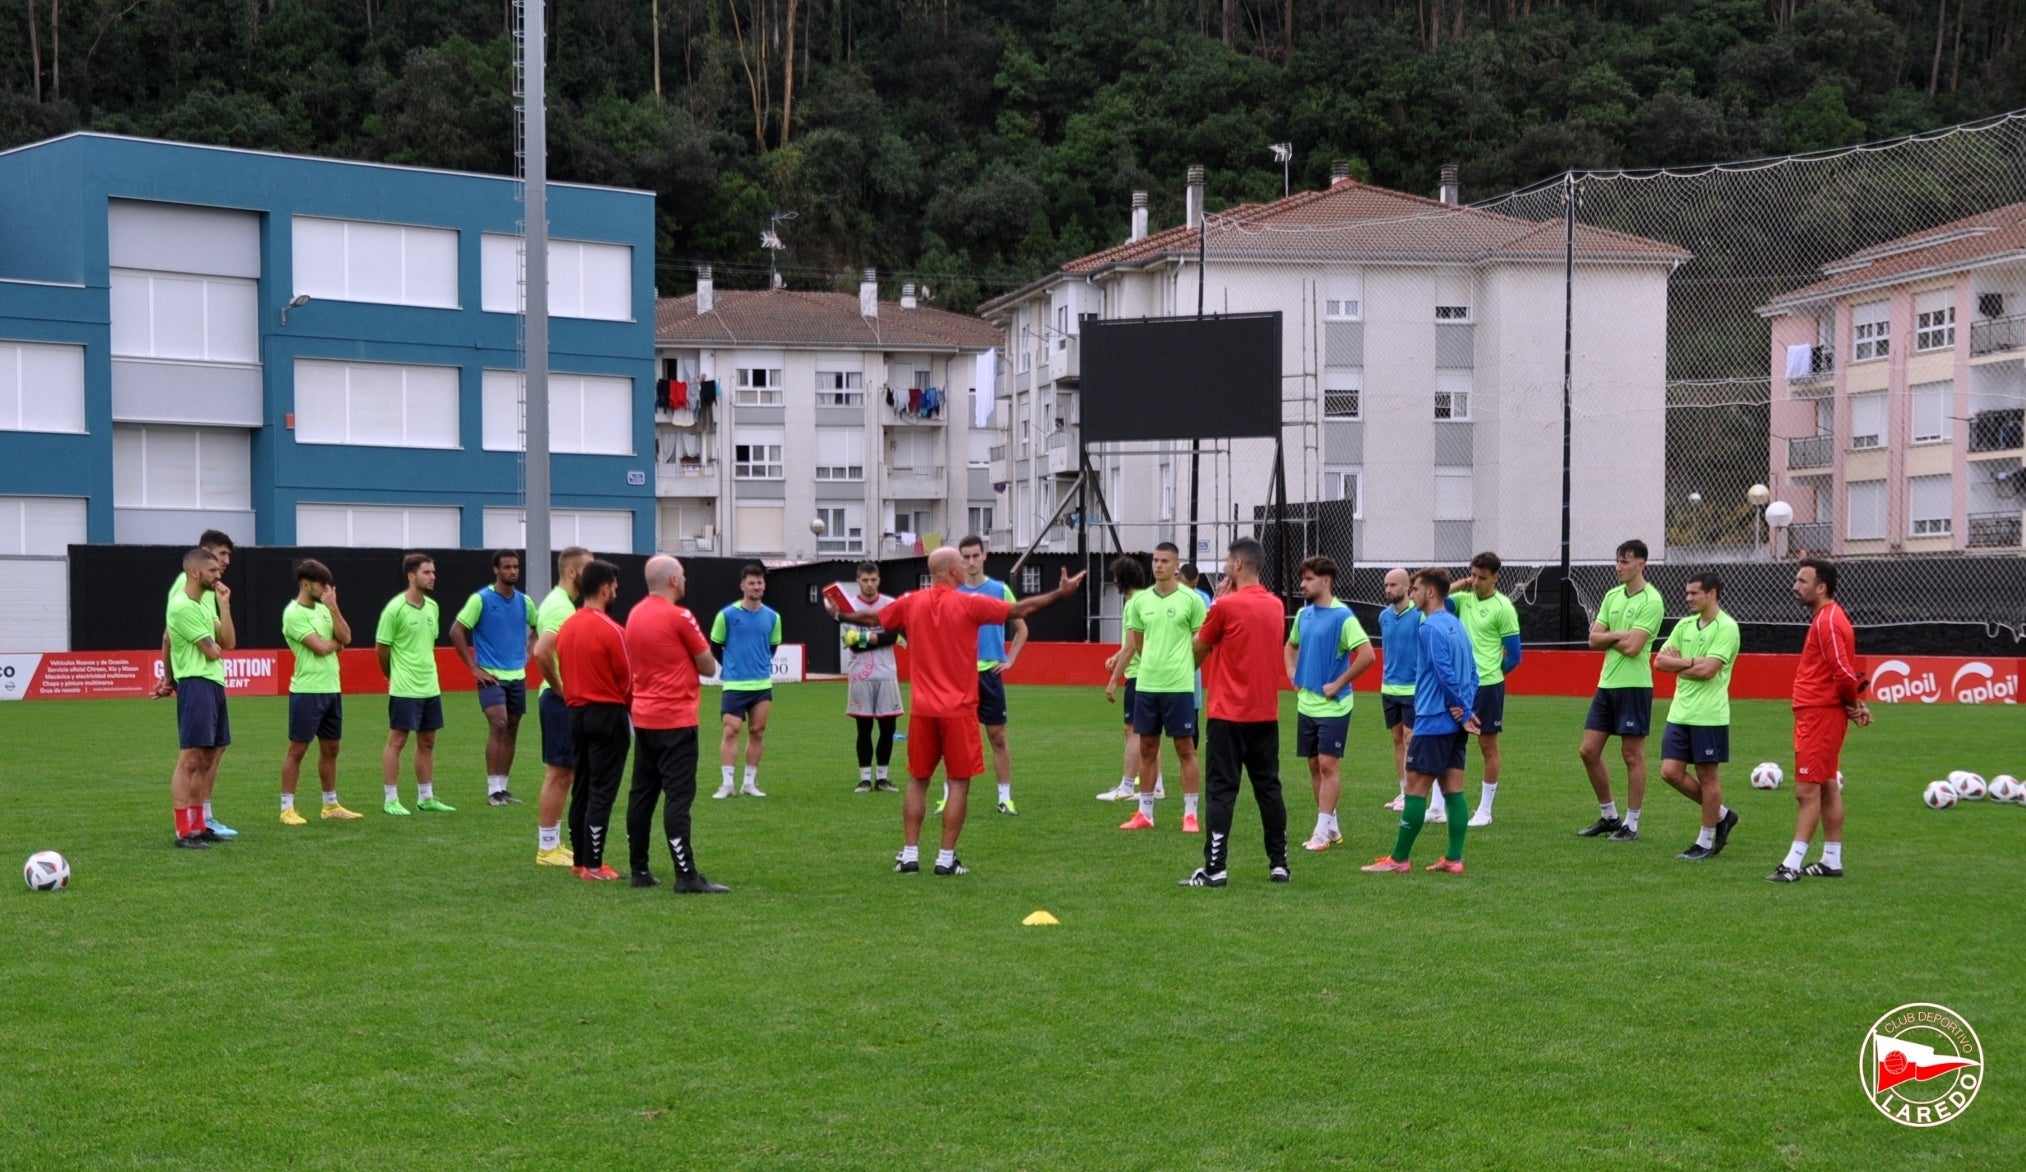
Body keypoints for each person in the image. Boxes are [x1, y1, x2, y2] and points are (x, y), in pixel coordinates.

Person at [832, 549, 1086, 876]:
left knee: (918, 779)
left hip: (923, 710)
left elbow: (874, 619)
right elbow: (1021, 609)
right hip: (959, 710)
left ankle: (909, 855)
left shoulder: (911, 602)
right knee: (958, 783)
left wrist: (839, 615)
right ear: (954, 570)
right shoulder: (969, 603)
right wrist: (1061, 594)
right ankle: (945, 858)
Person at [1179, 538, 1291, 888]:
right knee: (1269, 789)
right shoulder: (1275, 605)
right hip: (1265, 714)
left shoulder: (1224, 606)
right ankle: (1279, 864)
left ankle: (1215, 868)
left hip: (1228, 715)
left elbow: (1197, 650)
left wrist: (1218, 604)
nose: (1226, 566)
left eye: (1228, 561)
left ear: (1239, 565)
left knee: (1222, 791)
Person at [1364, 567, 1480, 875]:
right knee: (1454, 790)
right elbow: (1473, 671)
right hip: (1454, 725)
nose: (1411, 594)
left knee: (1415, 790)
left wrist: (1462, 709)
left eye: (1414, 589)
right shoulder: (1457, 625)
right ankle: (1454, 858)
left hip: (1431, 720)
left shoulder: (1429, 627)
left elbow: (1444, 672)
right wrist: (1465, 708)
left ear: (1429, 592)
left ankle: (1399, 859)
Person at [623, 556, 728, 892]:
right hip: (676, 718)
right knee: (678, 798)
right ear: (672, 580)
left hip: (644, 717)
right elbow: (709, 667)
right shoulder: (680, 616)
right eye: (681, 575)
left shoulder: (635, 614)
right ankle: (686, 875)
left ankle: (639, 870)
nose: (684, 580)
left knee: (642, 794)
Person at [1769, 558, 1871, 883]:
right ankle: (1831, 860)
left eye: (1802, 581)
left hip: (1820, 713)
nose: (1794, 586)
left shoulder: (1827, 620)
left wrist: (1852, 703)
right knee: (1826, 785)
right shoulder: (1827, 618)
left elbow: (1842, 671)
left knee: (1806, 790)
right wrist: (1854, 704)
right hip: (1820, 711)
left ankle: (1792, 864)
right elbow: (1841, 672)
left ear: (1821, 587)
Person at [1107, 542, 1207, 833]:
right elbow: (1136, 643)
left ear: (1176, 565)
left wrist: (1186, 668)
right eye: (1156, 560)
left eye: (1165, 561)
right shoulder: (1140, 602)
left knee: (1185, 748)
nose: (1159, 565)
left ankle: (1190, 814)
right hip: (1148, 685)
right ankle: (1145, 812)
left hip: (1179, 687)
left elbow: (1202, 644)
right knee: (1147, 748)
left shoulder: (1192, 600)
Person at [1577, 539, 1666, 841]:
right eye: (1617, 561)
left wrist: (1610, 638)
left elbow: (1633, 648)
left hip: (1634, 686)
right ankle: (1609, 815)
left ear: (1641, 564)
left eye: (1625, 562)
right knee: (1588, 751)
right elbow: (1592, 639)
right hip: (1607, 684)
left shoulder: (1651, 600)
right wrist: (1618, 634)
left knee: (1632, 755)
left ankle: (1632, 823)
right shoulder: (1612, 596)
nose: (1618, 567)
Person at [1286, 556, 1376, 852]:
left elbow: (1367, 655)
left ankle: (1321, 832)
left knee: (1327, 764)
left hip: (1335, 706)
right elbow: (1291, 645)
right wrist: (1292, 672)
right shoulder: (1304, 615)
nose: (1302, 584)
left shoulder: (1343, 617)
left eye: (1309, 579)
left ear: (1325, 581)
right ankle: (1331, 827)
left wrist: (1338, 683)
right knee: (1314, 766)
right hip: (1306, 704)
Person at [154, 529, 238, 838]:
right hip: (196, 682)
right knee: (190, 758)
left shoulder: (206, 600)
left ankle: (199, 823)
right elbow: (211, 649)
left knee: (209, 755)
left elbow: (227, 643)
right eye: (216, 563)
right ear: (196, 569)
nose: (221, 570)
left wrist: (225, 605)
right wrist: (169, 677)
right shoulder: (183, 599)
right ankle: (183, 829)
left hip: (213, 682)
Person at [1653, 573, 1741, 861]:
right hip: (1680, 712)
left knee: (1708, 777)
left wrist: (1678, 665)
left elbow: (1709, 671)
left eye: (1694, 593)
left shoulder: (1726, 628)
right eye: (1687, 593)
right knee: (1670, 772)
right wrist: (1690, 662)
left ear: (1712, 593)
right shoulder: (1683, 625)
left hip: (1709, 716)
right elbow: (1659, 662)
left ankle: (1705, 841)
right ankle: (1723, 815)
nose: (1688, 598)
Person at [557, 560, 633, 882]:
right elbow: (629, 680)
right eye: (614, 588)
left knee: (583, 787)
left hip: (575, 713)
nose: (615, 593)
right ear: (605, 589)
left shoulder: (567, 627)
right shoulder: (613, 630)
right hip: (608, 713)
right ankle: (594, 865)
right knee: (603, 790)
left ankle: (581, 860)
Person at [449, 549, 538, 806]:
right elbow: (457, 630)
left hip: (517, 676)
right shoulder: (482, 599)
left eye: (515, 567)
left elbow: (538, 625)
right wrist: (473, 667)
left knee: (512, 728)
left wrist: (531, 648)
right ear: (496, 570)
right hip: (491, 676)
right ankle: (492, 790)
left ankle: (503, 788)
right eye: (507, 567)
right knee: (498, 723)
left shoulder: (524, 601)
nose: (512, 571)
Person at [279, 559, 362, 824]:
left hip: (331, 689)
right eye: (321, 584)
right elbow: (321, 648)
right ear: (306, 584)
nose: (327, 590)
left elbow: (347, 637)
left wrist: (334, 609)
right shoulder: (293, 613)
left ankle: (330, 805)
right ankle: (287, 808)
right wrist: (336, 642)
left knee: (331, 749)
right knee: (298, 749)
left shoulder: (326, 609)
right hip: (307, 690)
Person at [376, 552, 454, 816]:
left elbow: (427, 644)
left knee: (428, 741)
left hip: (430, 686)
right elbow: (382, 649)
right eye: (427, 572)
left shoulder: (433, 607)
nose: (433, 577)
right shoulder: (394, 609)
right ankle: (391, 799)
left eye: (433, 572)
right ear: (411, 576)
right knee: (397, 741)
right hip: (405, 687)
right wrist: (392, 674)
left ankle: (426, 797)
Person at [1448, 551, 1521, 827]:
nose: (1476, 582)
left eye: (1482, 577)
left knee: (1487, 745)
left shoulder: (1503, 608)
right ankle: (1442, 804)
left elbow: (1514, 655)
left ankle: (1485, 810)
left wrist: (1491, 676)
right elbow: (1434, 601)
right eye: (1474, 575)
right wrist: (1461, 583)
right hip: (1458, 686)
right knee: (1450, 741)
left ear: (1495, 578)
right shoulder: (1462, 600)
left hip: (1487, 686)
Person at [530, 547, 590, 866]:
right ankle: (547, 849)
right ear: (571, 572)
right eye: (588, 568)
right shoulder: (559, 607)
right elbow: (541, 652)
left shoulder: (562, 604)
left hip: (562, 698)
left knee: (566, 773)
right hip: (558, 700)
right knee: (558, 774)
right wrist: (560, 689)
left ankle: (554, 841)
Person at [957, 534, 1024, 816]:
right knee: (955, 740)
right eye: (966, 557)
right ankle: (949, 797)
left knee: (997, 737)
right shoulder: (954, 592)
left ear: (984, 556)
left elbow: (1022, 628)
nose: (971, 562)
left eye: (975, 556)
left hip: (990, 674)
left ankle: (1004, 798)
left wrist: (1009, 661)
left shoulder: (999, 590)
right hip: (959, 677)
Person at [711, 564, 781, 799]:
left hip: (761, 685)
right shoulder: (727, 615)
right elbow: (715, 646)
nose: (756, 587)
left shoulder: (773, 617)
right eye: (751, 583)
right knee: (731, 730)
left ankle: (749, 784)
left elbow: (771, 648)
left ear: (764, 586)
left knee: (757, 732)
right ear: (742, 585)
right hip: (734, 684)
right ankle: (727, 784)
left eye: (759, 583)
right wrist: (733, 667)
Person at [840, 562, 903, 794]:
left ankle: (883, 778)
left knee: (888, 727)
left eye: (873, 579)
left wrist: (865, 637)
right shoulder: (849, 607)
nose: (869, 584)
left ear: (879, 580)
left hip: (886, 673)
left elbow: (893, 636)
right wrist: (879, 637)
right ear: (858, 581)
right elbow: (851, 642)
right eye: (865, 580)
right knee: (863, 728)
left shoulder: (890, 604)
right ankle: (865, 778)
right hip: (860, 674)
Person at [1097, 555, 1156, 802]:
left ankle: (1127, 786)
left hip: (1138, 675)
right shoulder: (1146, 598)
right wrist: (1116, 655)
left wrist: (1113, 680)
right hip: (1149, 674)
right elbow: (1133, 643)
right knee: (1148, 733)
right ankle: (1157, 785)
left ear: (1121, 579)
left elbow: (1132, 646)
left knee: (1131, 731)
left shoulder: (1133, 604)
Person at [1375, 568, 1419, 812]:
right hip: (1389, 688)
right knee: (1396, 739)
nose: (1388, 589)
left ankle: (1414, 791)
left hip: (1412, 689)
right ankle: (1403, 790)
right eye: (1386, 585)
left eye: (1393, 585)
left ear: (1407, 587)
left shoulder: (1419, 616)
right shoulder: (1384, 616)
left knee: (1410, 740)